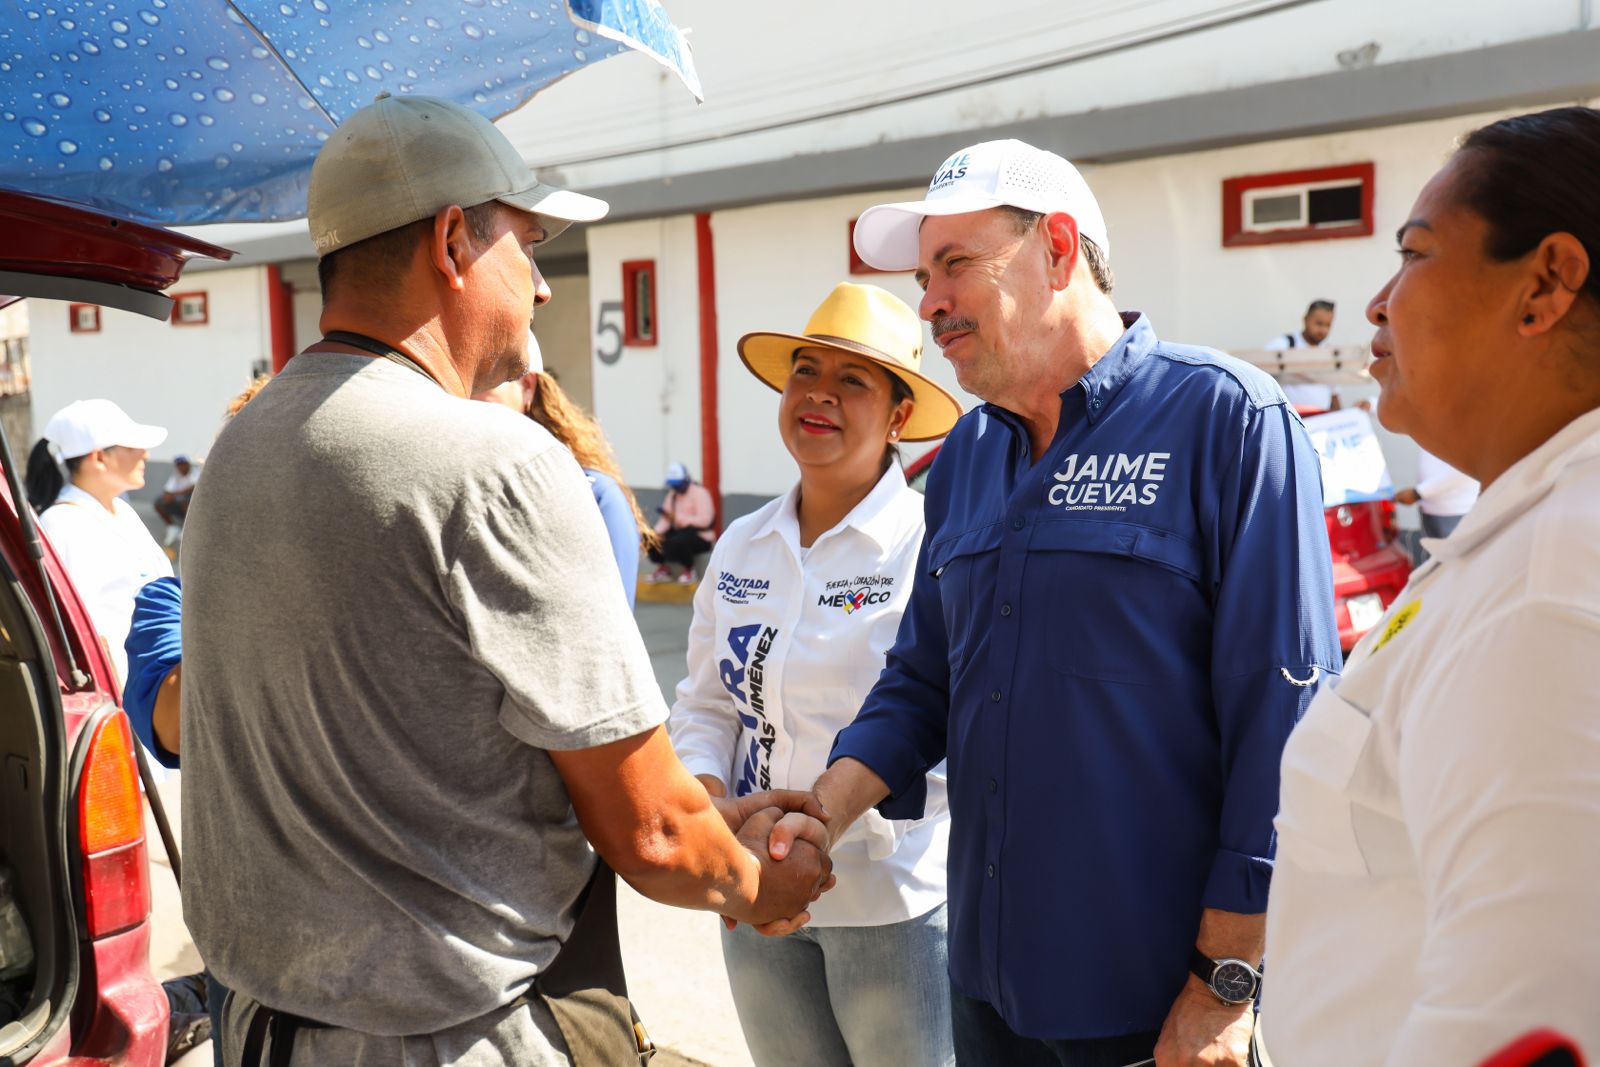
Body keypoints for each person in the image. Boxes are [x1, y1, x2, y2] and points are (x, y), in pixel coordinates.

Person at [179, 93, 832, 1067]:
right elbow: (651, 828)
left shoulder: (242, 444)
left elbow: (415, 763)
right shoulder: (495, 461)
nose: (543, 286)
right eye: (525, 246)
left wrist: (708, 823)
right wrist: (753, 882)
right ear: (451, 241)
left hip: (259, 1024)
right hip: (443, 1035)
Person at [763, 139, 1341, 1065]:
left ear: (1060, 250)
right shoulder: (965, 464)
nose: (930, 303)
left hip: (1157, 1002)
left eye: (956, 265)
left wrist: (1226, 982)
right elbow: (922, 681)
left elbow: (1288, 726)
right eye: (924, 275)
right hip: (987, 985)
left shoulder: (1226, 421)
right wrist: (823, 810)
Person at [1260, 106, 1600, 1064]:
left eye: (1413, 254)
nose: (1377, 304)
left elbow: (1533, 1026)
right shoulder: (1526, 546)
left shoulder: (1550, 589)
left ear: (1543, 286)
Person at [670, 282, 963, 1066]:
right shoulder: (741, 544)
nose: (819, 395)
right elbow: (704, 705)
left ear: (901, 415)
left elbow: (937, 725)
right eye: (806, 370)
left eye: (853, 380)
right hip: (752, 887)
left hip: (891, 902)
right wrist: (714, 814)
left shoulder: (929, 544)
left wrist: (818, 835)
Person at [473, 335, 654, 609]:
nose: (467, 400)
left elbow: (611, 619)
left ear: (528, 387)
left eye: (484, 384)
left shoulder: (592, 493)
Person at [23, 398, 172, 687]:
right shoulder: (64, 524)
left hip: (156, 683)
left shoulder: (121, 510)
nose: (146, 455)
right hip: (123, 697)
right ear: (99, 458)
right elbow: (81, 633)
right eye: (132, 446)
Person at [647, 462, 716, 584]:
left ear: (686, 480)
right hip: (678, 533)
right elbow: (665, 521)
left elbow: (705, 521)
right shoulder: (672, 496)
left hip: (700, 536)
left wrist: (678, 519)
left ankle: (689, 570)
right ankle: (663, 569)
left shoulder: (700, 494)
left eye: (678, 484)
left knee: (679, 541)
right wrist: (653, 534)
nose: (676, 488)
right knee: (649, 538)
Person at [1263, 300, 1338, 410]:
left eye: (1328, 325)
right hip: (1290, 420)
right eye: (1319, 323)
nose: (1323, 330)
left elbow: (1334, 395)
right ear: (1306, 319)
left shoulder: (1332, 353)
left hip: (1321, 421)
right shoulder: (1283, 346)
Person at [1394, 446, 1480, 542]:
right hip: (1432, 509)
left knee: (1454, 555)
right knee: (1436, 555)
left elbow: (1463, 468)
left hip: (1455, 512)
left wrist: (1418, 493)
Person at [154, 453, 199, 546]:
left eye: (183, 464)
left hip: (195, 505)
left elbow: (194, 488)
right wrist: (167, 496)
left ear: (188, 464)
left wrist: (174, 494)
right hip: (179, 503)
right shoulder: (175, 475)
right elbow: (167, 490)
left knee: (187, 501)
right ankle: (172, 527)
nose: (181, 466)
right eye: (178, 465)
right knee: (159, 502)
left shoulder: (196, 473)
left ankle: (187, 529)